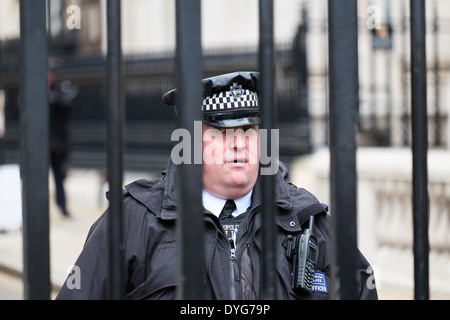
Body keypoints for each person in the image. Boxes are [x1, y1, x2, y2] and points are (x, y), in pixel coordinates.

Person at [56, 71, 377, 300]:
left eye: (248, 131)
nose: (238, 145)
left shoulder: (307, 219)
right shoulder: (133, 220)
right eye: (221, 134)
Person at [48, 69, 74, 218]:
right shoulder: (37, 90)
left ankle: (62, 205)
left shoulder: (59, 91)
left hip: (57, 143)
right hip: (42, 143)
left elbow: (67, 109)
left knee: (59, 176)